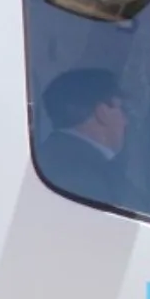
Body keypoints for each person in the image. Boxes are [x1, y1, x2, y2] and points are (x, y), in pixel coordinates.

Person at [36, 67, 135, 208]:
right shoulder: (83, 175)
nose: (126, 121)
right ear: (103, 112)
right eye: (122, 109)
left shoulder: (50, 159)